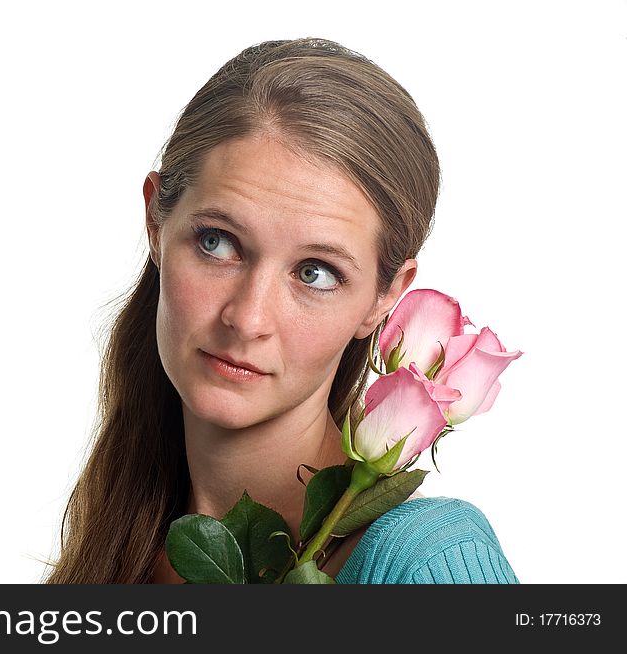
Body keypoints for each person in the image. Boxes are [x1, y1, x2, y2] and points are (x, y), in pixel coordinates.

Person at [43, 37, 518, 584]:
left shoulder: (426, 563)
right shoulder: (111, 552)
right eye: (217, 243)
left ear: (386, 296)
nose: (247, 319)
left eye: (315, 273)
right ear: (155, 221)